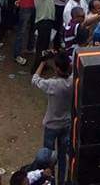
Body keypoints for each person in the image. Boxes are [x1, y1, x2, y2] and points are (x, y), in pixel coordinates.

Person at [31, 51, 73, 184]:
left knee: (48, 157)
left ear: (58, 69)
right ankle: (61, 181)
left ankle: (50, 181)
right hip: (66, 124)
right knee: (62, 157)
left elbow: (35, 79)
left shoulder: (53, 85)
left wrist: (42, 62)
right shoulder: (73, 81)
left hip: (51, 126)